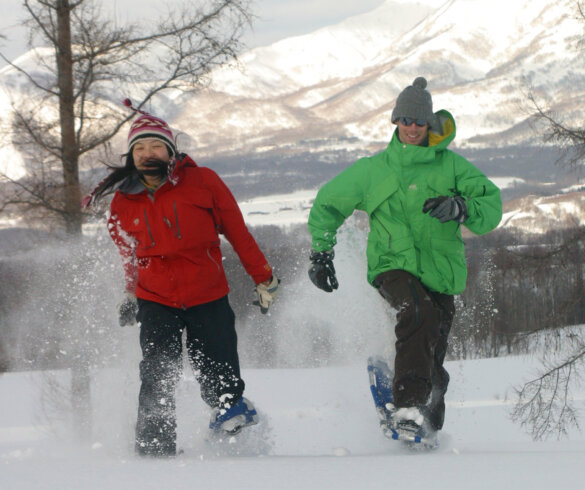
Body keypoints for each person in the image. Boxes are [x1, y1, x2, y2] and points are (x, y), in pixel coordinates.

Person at [307, 77, 502, 443]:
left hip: (440, 271)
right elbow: (328, 203)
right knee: (417, 314)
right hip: (391, 265)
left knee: (432, 350)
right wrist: (321, 252)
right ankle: (408, 406)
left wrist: (461, 207)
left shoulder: (452, 167)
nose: (412, 128)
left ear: (429, 123)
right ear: (395, 122)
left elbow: (491, 207)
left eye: (419, 121)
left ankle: (427, 424)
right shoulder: (373, 170)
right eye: (406, 120)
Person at [84, 101, 279, 457]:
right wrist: (130, 293)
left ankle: (233, 429)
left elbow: (237, 232)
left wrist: (264, 277)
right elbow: (128, 254)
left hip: (207, 293)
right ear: (131, 156)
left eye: (156, 145)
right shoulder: (122, 203)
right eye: (139, 148)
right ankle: (153, 450)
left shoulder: (203, 182)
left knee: (217, 371)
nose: (147, 154)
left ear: (172, 150)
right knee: (158, 372)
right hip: (155, 297)